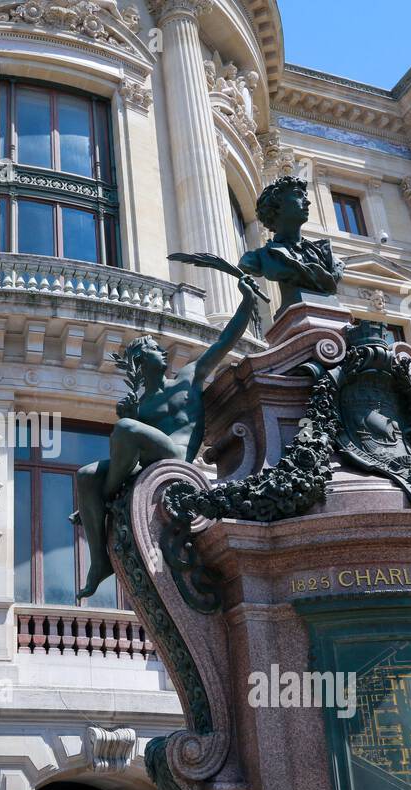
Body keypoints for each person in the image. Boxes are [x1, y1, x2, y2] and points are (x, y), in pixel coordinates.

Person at [72, 275, 258, 599]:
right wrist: (129, 417)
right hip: (152, 464)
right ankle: (100, 562)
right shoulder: (142, 407)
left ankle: (108, 495)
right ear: (143, 363)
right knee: (86, 475)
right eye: (154, 351)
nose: (161, 352)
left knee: (126, 430)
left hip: (178, 459)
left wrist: (247, 304)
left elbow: (224, 342)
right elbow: (132, 461)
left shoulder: (188, 378)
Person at [238, 175, 344, 314]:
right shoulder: (257, 259)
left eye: (305, 195)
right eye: (298, 195)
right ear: (278, 201)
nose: (308, 202)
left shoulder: (330, 260)